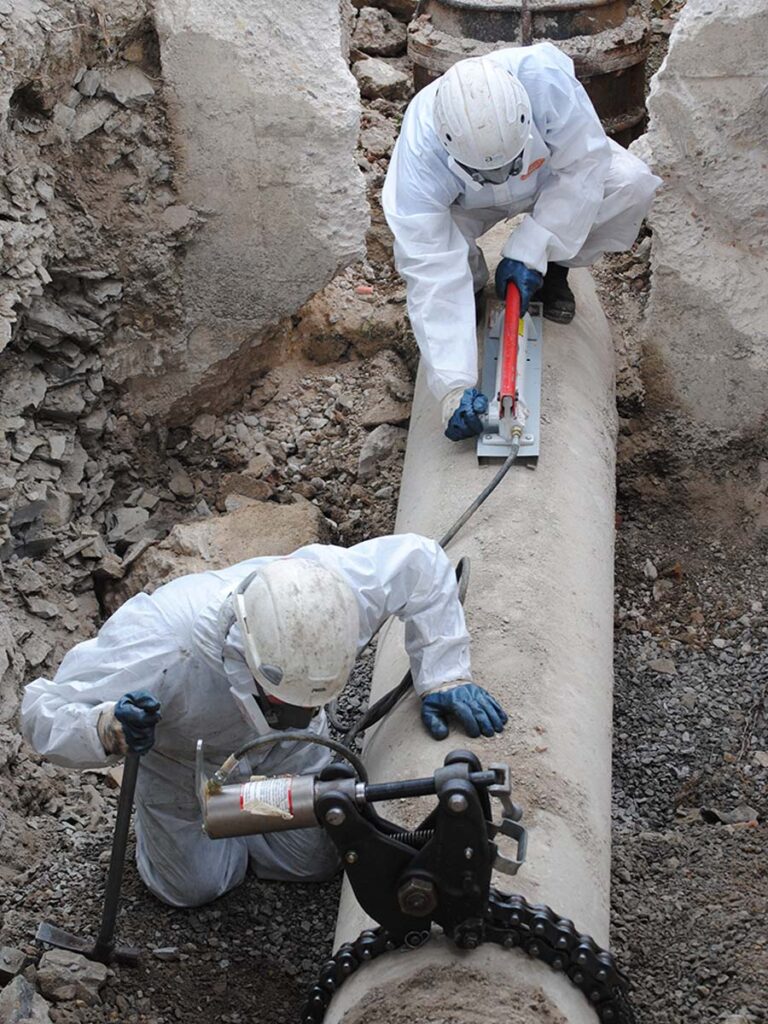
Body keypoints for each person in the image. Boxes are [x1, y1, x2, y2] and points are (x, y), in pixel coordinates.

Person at [21, 533, 506, 908]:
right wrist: (107, 728)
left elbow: (420, 561)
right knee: (195, 887)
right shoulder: (163, 643)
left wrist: (443, 675)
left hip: (287, 751)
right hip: (186, 762)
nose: (295, 714)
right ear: (246, 662)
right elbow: (42, 712)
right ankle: (208, 827)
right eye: (283, 702)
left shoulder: (335, 590)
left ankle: (244, 817)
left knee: (316, 860)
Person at [382, 44, 661, 441]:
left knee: (628, 184)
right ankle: (474, 284)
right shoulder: (419, 152)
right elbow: (428, 262)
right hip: (467, 204)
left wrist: (535, 247)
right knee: (449, 263)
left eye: (505, 165)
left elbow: (583, 165)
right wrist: (453, 387)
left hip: (544, 179)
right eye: (487, 170)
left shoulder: (546, 82)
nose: (500, 177)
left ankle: (554, 270)